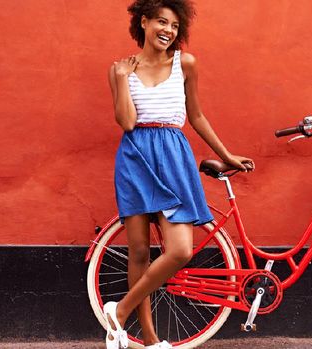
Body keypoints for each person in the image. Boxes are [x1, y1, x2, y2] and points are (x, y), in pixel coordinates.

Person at [104, 1, 254, 348]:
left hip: (173, 156)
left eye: (173, 26)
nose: (167, 31)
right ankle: (151, 340)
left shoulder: (185, 64)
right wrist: (124, 79)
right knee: (139, 253)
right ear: (143, 22)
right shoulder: (119, 69)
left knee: (180, 249)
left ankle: (119, 312)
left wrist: (226, 154)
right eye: (160, 22)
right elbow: (126, 122)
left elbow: (197, 116)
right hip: (135, 158)